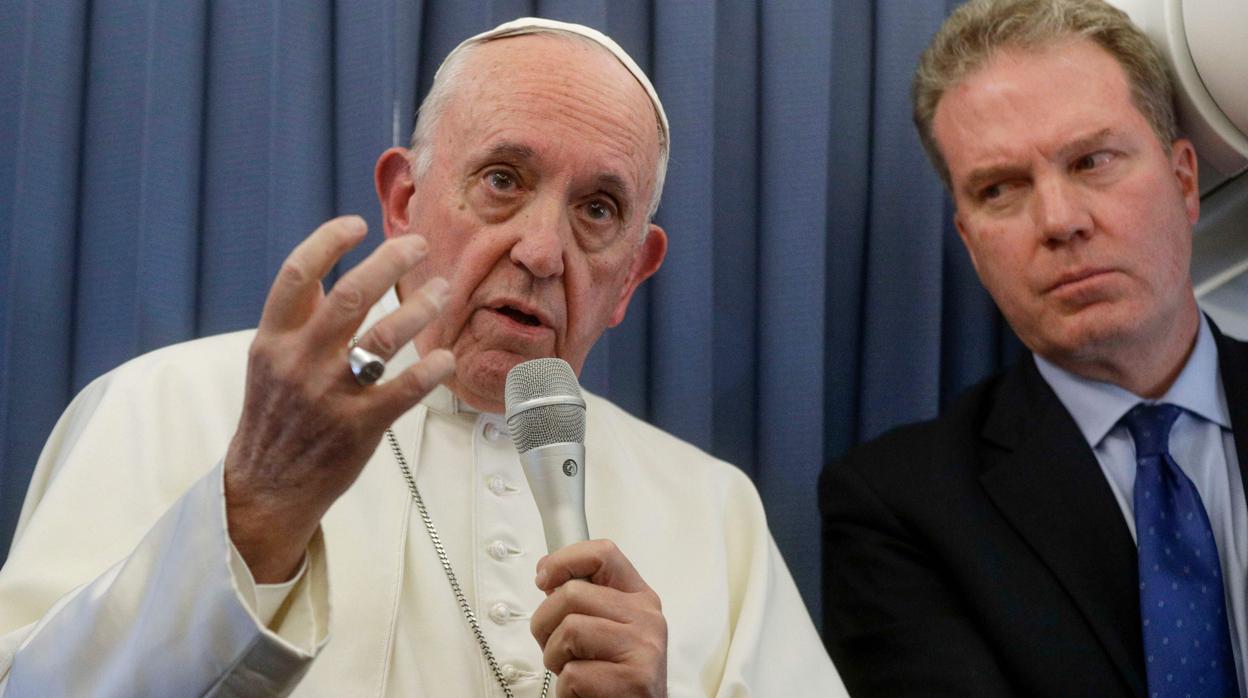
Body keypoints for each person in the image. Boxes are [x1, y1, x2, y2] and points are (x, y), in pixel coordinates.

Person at [0, 18, 843, 697]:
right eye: (504, 180)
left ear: (632, 276)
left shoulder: (714, 511)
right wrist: (254, 511)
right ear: (404, 201)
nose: (543, 251)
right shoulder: (167, 405)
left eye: (596, 208)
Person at [820, 0, 1248, 696]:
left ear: (1184, 182)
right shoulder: (896, 510)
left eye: (1093, 160)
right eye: (1001, 189)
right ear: (971, 244)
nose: (1059, 221)